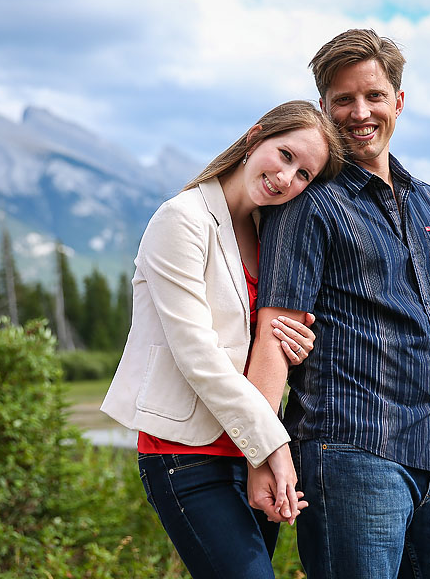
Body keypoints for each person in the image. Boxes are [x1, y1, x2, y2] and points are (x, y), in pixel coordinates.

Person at [246, 30, 430, 578]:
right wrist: (262, 452)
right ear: (325, 110)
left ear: (398, 100)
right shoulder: (308, 203)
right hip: (350, 453)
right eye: (342, 100)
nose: (360, 112)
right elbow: (274, 334)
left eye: (373, 96)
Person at [100, 100, 343, 578]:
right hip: (187, 456)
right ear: (255, 138)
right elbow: (199, 356)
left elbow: (260, 346)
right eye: (286, 155)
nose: (287, 179)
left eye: (304, 176)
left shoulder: (267, 230)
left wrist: (294, 345)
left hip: (249, 452)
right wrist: (275, 447)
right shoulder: (182, 219)